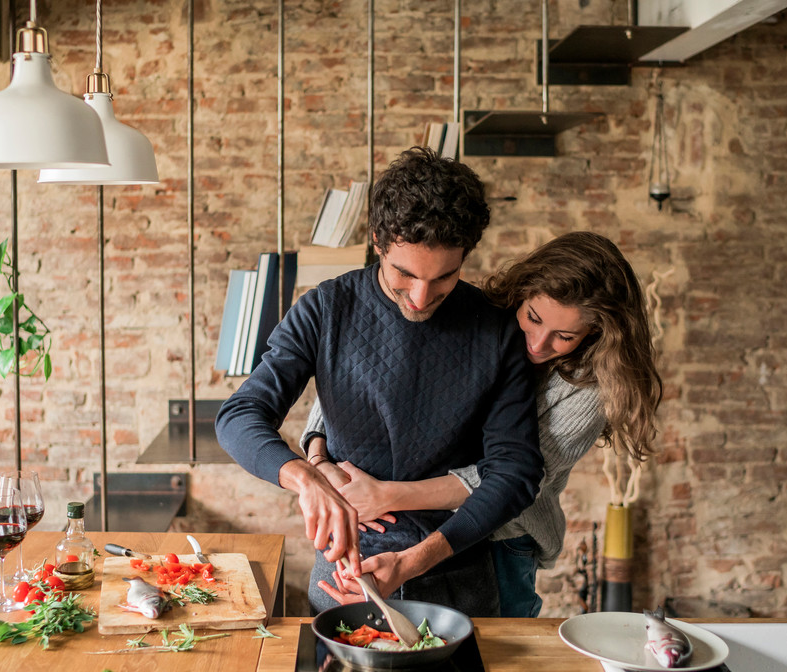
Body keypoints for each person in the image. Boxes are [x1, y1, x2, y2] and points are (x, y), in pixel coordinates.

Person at [215, 147, 544, 616]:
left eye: (444, 277)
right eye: (403, 274)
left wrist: (413, 562)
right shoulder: (326, 309)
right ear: (377, 241)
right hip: (346, 573)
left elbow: (515, 472)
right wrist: (306, 477)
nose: (421, 297)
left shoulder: (495, 329)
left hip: (458, 571)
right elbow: (239, 416)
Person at [304, 231, 662, 617]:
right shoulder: (479, 321)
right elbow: (358, 381)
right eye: (533, 318)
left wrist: (387, 495)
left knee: (494, 661)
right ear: (522, 293)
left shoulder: (590, 392)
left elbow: (508, 479)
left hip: (503, 539)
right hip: (409, 520)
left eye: (564, 336)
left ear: (595, 333)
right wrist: (318, 457)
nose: (538, 343)